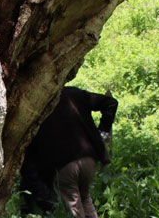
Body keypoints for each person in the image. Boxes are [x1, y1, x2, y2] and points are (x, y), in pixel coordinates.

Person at [21, 85, 118, 218]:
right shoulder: (73, 93)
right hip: (89, 159)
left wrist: (103, 134)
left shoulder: (34, 104)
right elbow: (110, 103)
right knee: (85, 199)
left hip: (63, 164)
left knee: (75, 210)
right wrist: (102, 134)